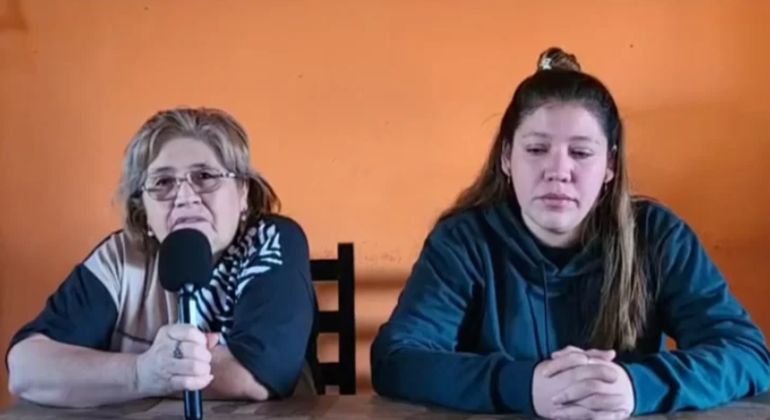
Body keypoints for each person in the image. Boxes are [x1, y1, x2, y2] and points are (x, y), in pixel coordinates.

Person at [370, 47, 770, 419]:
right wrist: (524, 386)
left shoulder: (658, 237)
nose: (558, 170)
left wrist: (638, 386)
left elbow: (747, 353)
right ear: (507, 157)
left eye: (580, 153)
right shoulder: (463, 242)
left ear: (610, 166)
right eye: (536, 149)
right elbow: (397, 360)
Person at [7, 108, 318, 407]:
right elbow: (26, 369)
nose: (184, 198)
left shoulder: (271, 239)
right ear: (142, 206)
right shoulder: (122, 258)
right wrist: (142, 373)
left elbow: (254, 376)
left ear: (243, 193)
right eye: (162, 182)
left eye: (205, 176)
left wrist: (103, 376)